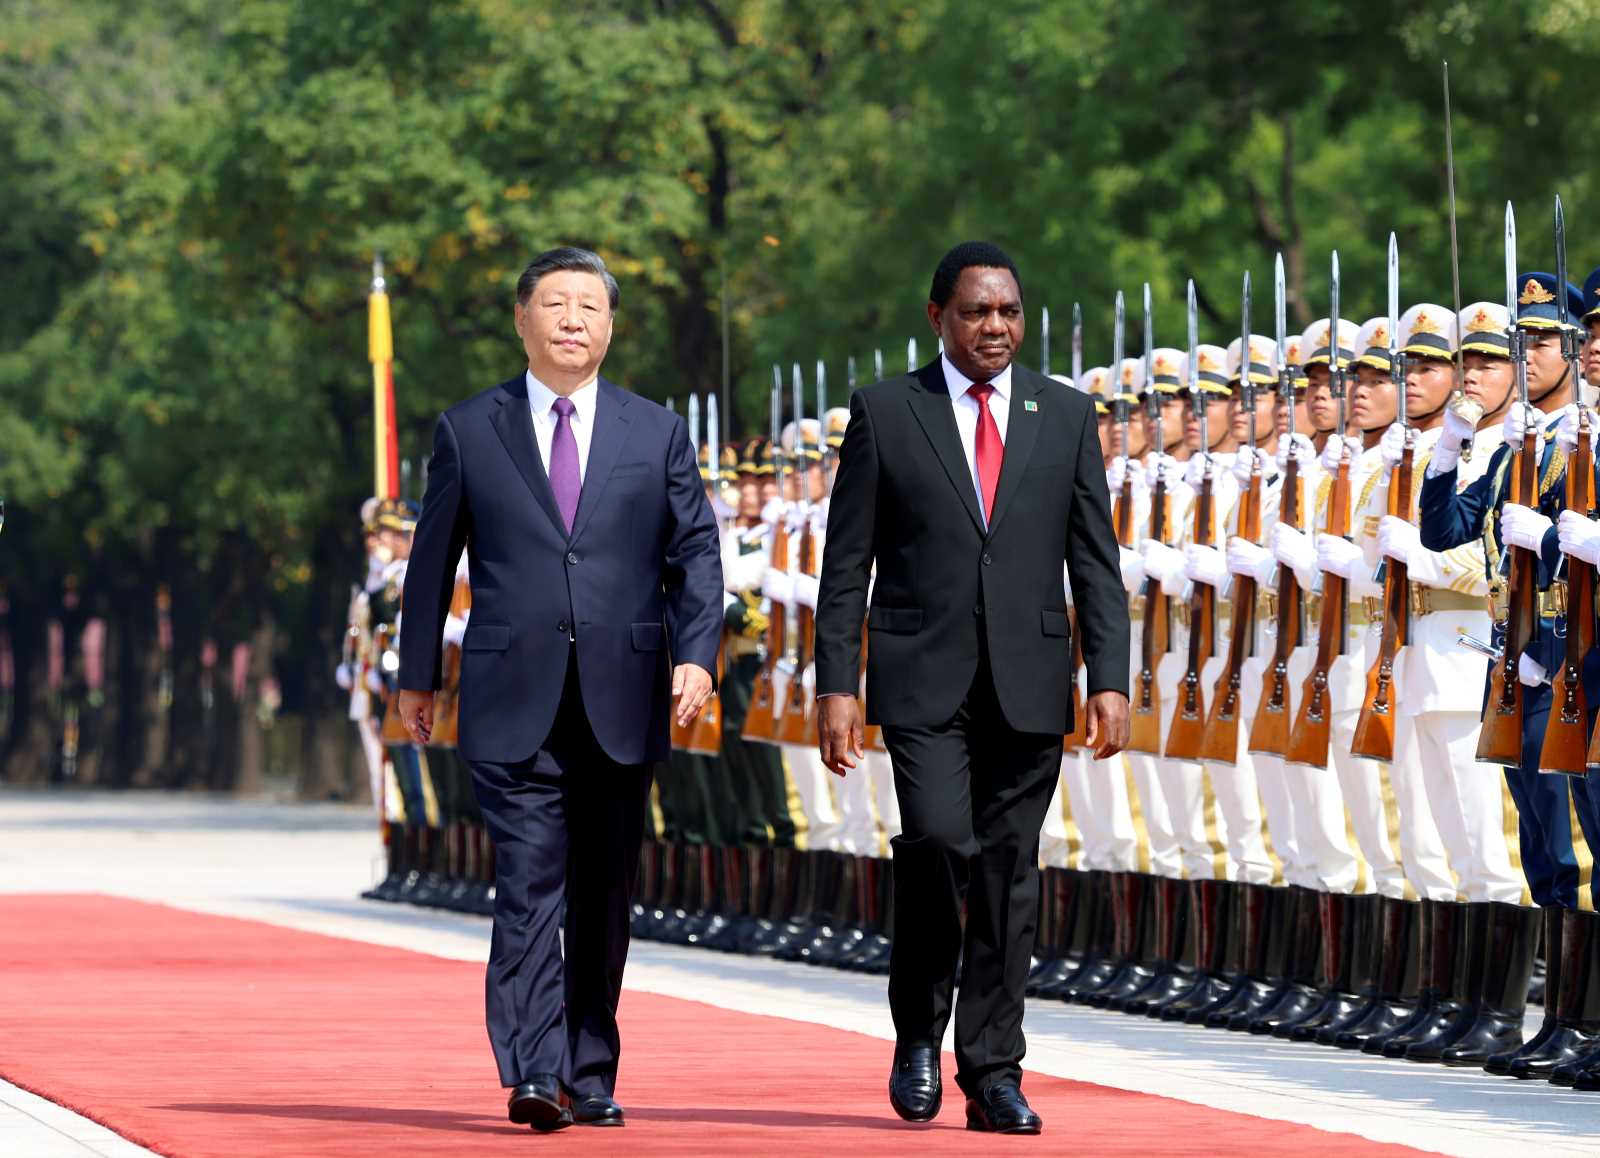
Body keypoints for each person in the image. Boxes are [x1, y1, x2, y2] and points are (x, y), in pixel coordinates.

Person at [396, 246, 723, 1132]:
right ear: (522, 319)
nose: (573, 319)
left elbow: (695, 551)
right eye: (556, 304)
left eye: (590, 306)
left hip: (624, 693)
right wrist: (415, 676)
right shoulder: (470, 429)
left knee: (605, 891)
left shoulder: (655, 432)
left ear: (612, 326)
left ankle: (592, 1067)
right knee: (529, 883)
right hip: (512, 697)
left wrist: (697, 653)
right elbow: (429, 566)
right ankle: (535, 1068)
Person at [813, 241, 1131, 1134]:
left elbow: (1094, 561)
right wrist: (836, 683)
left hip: (1030, 679)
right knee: (940, 845)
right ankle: (919, 1031)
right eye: (975, 312)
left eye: (1008, 313)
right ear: (937, 316)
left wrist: (1110, 676)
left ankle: (993, 1069)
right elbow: (847, 565)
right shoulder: (886, 411)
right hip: (921, 677)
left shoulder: (1065, 415)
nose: (995, 327)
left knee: (1007, 872)